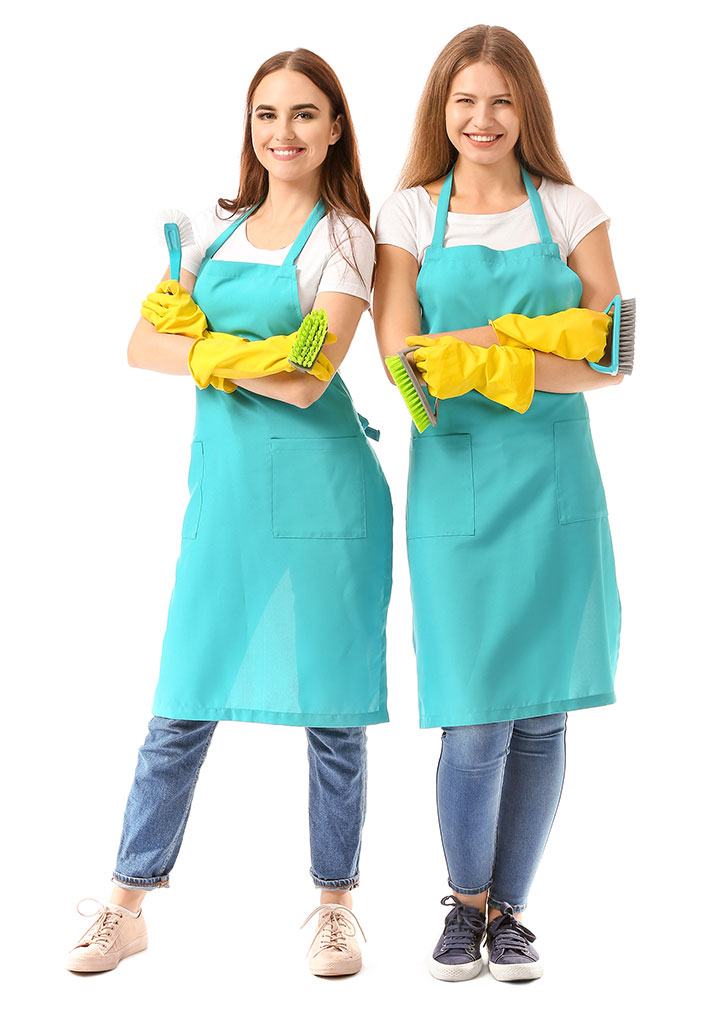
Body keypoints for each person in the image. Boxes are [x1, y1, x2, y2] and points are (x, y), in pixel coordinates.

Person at [65, 48, 392, 978]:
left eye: (302, 115)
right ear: (249, 129)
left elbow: (308, 378)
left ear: (335, 128)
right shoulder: (212, 227)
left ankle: (336, 907)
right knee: (184, 698)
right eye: (265, 116)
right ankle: (126, 903)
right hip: (228, 496)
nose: (282, 133)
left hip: (324, 495)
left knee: (332, 708)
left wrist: (203, 343)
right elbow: (139, 346)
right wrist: (221, 349)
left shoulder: (346, 240)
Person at [373, 24, 623, 982]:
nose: (483, 119)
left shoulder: (571, 209)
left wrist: (484, 345)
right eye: (465, 100)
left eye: (502, 101)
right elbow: (402, 367)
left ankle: (512, 913)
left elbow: (614, 358)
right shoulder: (405, 215)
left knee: (543, 717)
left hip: (557, 485)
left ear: (529, 110)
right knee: (475, 716)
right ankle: (463, 904)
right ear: (443, 109)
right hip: (457, 487)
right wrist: (535, 346)